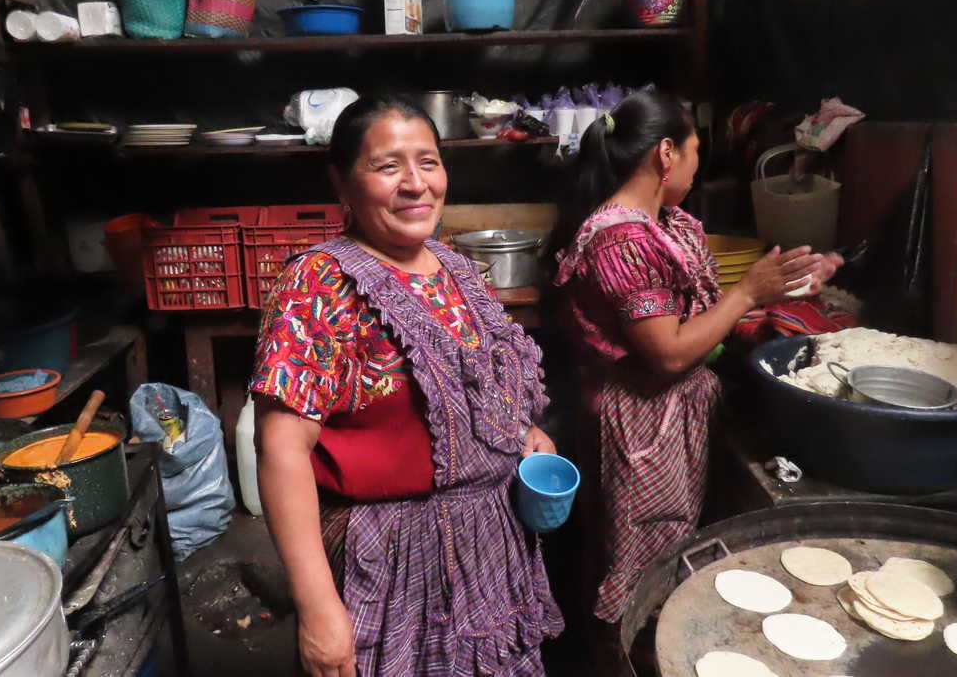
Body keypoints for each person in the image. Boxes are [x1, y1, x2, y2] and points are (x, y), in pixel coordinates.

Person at [250, 93, 564, 677]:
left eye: (428, 161)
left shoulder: (455, 268)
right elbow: (280, 450)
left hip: (490, 541)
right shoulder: (318, 286)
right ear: (341, 185)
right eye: (387, 166)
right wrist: (319, 609)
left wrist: (520, 432)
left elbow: (477, 383)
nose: (416, 184)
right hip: (392, 557)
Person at [552, 91, 841, 634]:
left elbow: (700, 318)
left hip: (665, 419)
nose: (695, 165)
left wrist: (786, 287)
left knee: (662, 552)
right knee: (640, 569)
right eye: (693, 152)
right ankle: (626, 657)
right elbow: (668, 353)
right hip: (642, 427)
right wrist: (748, 293)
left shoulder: (664, 225)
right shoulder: (623, 241)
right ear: (666, 154)